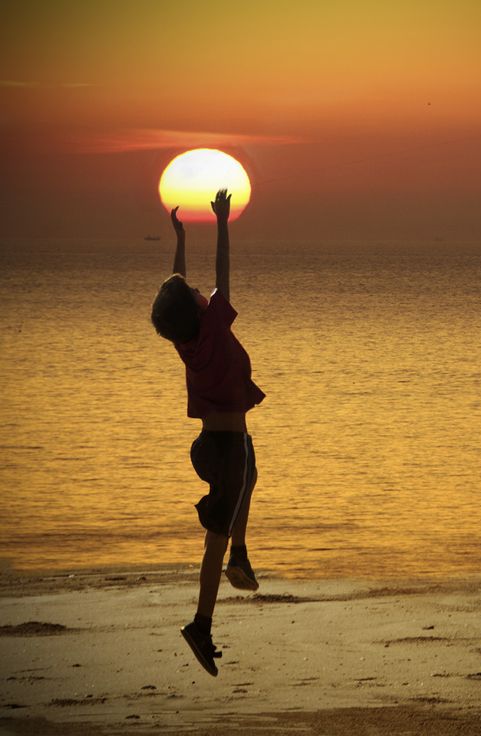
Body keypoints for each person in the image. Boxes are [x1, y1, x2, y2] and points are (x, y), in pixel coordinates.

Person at [150, 189, 265, 676]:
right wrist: (222, 223)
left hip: (212, 446)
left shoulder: (185, 338)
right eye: (197, 296)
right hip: (224, 449)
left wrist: (179, 237)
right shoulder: (213, 325)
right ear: (200, 310)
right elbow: (221, 273)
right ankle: (201, 624)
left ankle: (240, 554)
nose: (203, 292)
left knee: (252, 468)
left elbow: (176, 286)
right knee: (212, 541)